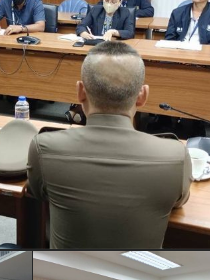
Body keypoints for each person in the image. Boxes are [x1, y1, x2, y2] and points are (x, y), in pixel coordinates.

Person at [27, 41, 191, 249]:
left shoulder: (44, 148)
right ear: (143, 96)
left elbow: (37, 192)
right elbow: (178, 202)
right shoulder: (176, 156)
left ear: (80, 92)